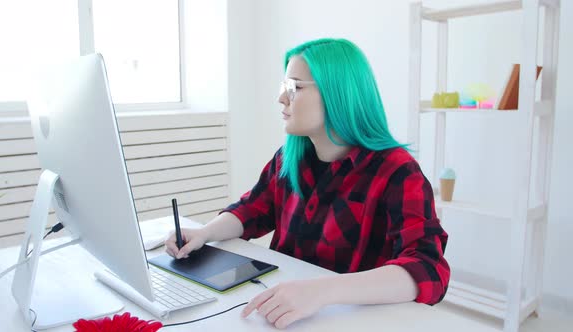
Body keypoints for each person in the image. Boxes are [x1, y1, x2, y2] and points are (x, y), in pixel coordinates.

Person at [165, 38, 450, 329]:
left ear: (337, 93)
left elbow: (427, 269)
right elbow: (251, 210)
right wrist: (204, 233)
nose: (281, 98)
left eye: (295, 87)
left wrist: (323, 290)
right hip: (283, 312)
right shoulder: (289, 158)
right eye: (284, 86)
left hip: (351, 319)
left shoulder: (397, 171)